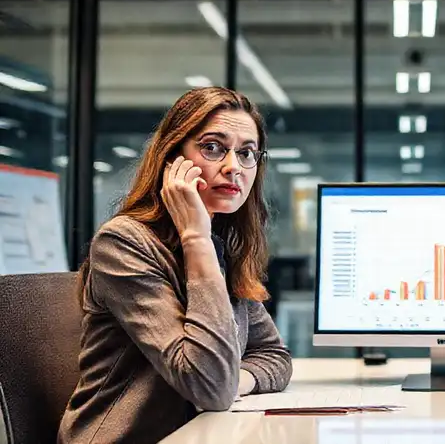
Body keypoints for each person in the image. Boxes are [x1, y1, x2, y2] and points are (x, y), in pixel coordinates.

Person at [58, 87, 293, 443]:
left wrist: (237, 380)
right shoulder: (123, 243)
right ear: (172, 159)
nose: (233, 167)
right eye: (213, 148)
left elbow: (273, 356)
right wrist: (196, 240)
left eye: (247, 153)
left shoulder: (219, 246)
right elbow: (209, 386)